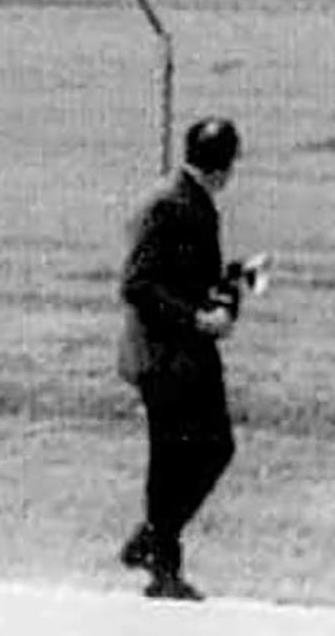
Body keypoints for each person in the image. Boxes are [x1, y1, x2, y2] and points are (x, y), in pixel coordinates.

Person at [114, 112, 261, 599]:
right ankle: (163, 564)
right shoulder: (169, 204)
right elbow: (138, 285)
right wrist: (196, 320)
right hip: (164, 355)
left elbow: (189, 279)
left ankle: (155, 541)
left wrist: (234, 282)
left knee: (210, 449)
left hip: (187, 354)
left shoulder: (192, 199)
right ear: (223, 167)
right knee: (175, 458)